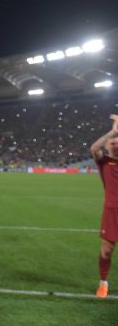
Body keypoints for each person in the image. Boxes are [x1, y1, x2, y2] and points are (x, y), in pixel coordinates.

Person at [90, 114, 118, 298]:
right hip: (112, 210)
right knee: (107, 251)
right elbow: (94, 148)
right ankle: (103, 283)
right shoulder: (104, 162)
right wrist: (112, 132)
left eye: (117, 141)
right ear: (107, 146)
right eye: (112, 143)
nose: (115, 144)